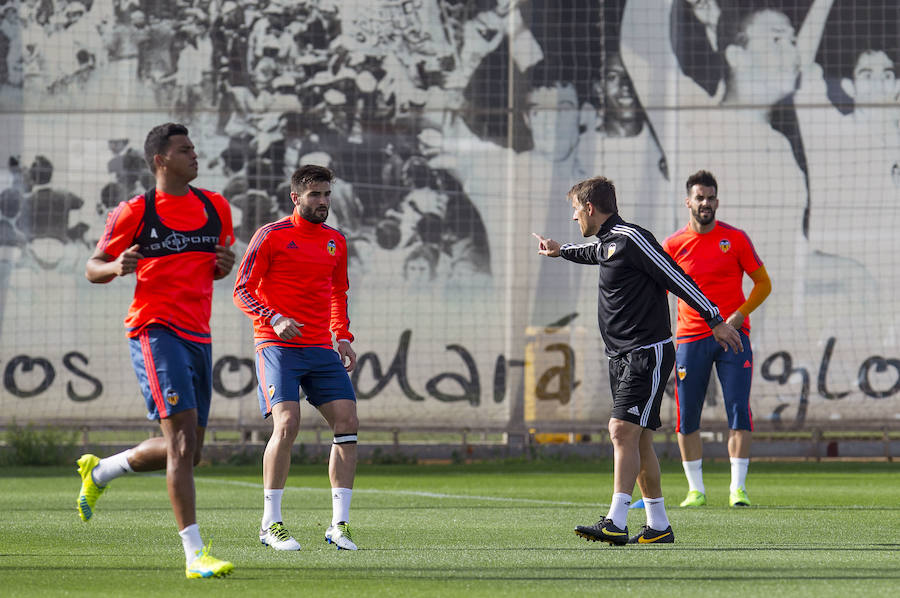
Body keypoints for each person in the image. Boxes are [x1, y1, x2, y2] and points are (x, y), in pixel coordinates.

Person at [533, 176, 742, 545]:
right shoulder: (609, 243)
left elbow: (677, 276)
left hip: (647, 353)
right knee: (639, 439)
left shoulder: (632, 237)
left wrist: (714, 319)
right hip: (621, 356)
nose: (574, 219)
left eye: (575, 212)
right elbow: (593, 253)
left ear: (590, 209)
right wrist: (559, 250)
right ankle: (659, 526)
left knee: (620, 430)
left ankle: (615, 520)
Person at [77, 123, 236, 579]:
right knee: (182, 444)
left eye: (194, 149)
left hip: (198, 335)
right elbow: (92, 268)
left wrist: (223, 267)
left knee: (191, 451)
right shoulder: (136, 210)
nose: (195, 155)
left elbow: (213, 269)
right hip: (154, 330)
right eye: (185, 150)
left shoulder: (216, 207)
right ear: (160, 160)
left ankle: (102, 470)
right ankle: (195, 555)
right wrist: (114, 265)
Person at [233, 164, 359, 551]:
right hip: (276, 345)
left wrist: (342, 336)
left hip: (321, 347)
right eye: (315, 195)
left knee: (348, 422)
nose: (323, 202)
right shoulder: (271, 235)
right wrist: (274, 317)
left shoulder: (335, 241)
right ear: (296, 198)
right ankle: (270, 524)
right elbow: (241, 289)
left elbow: (338, 293)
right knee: (287, 424)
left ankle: (339, 525)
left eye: (327, 195)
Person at [662, 170, 771, 508]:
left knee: (738, 408)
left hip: (734, 338)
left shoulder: (735, 239)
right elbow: (658, 288)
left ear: (717, 201)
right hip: (691, 338)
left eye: (710, 197)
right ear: (688, 202)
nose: (705, 203)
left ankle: (737, 488)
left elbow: (763, 284)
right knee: (687, 415)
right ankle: (696, 490)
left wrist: (737, 317)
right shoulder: (673, 245)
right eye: (699, 197)